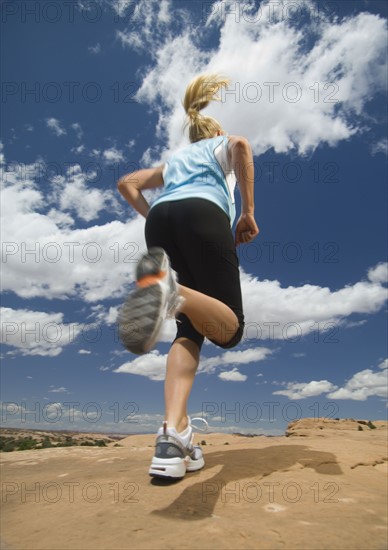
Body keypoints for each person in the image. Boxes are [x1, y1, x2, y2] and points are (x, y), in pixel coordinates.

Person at [117, 73, 259, 479]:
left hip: (162, 222)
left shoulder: (176, 161)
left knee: (189, 332)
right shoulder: (219, 145)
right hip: (204, 217)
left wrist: (154, 215)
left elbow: (127, 183)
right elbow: (242, 145)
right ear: (214, 131)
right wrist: (247, 213)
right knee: (229, 332)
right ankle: (170, 293)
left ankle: (173, 434)